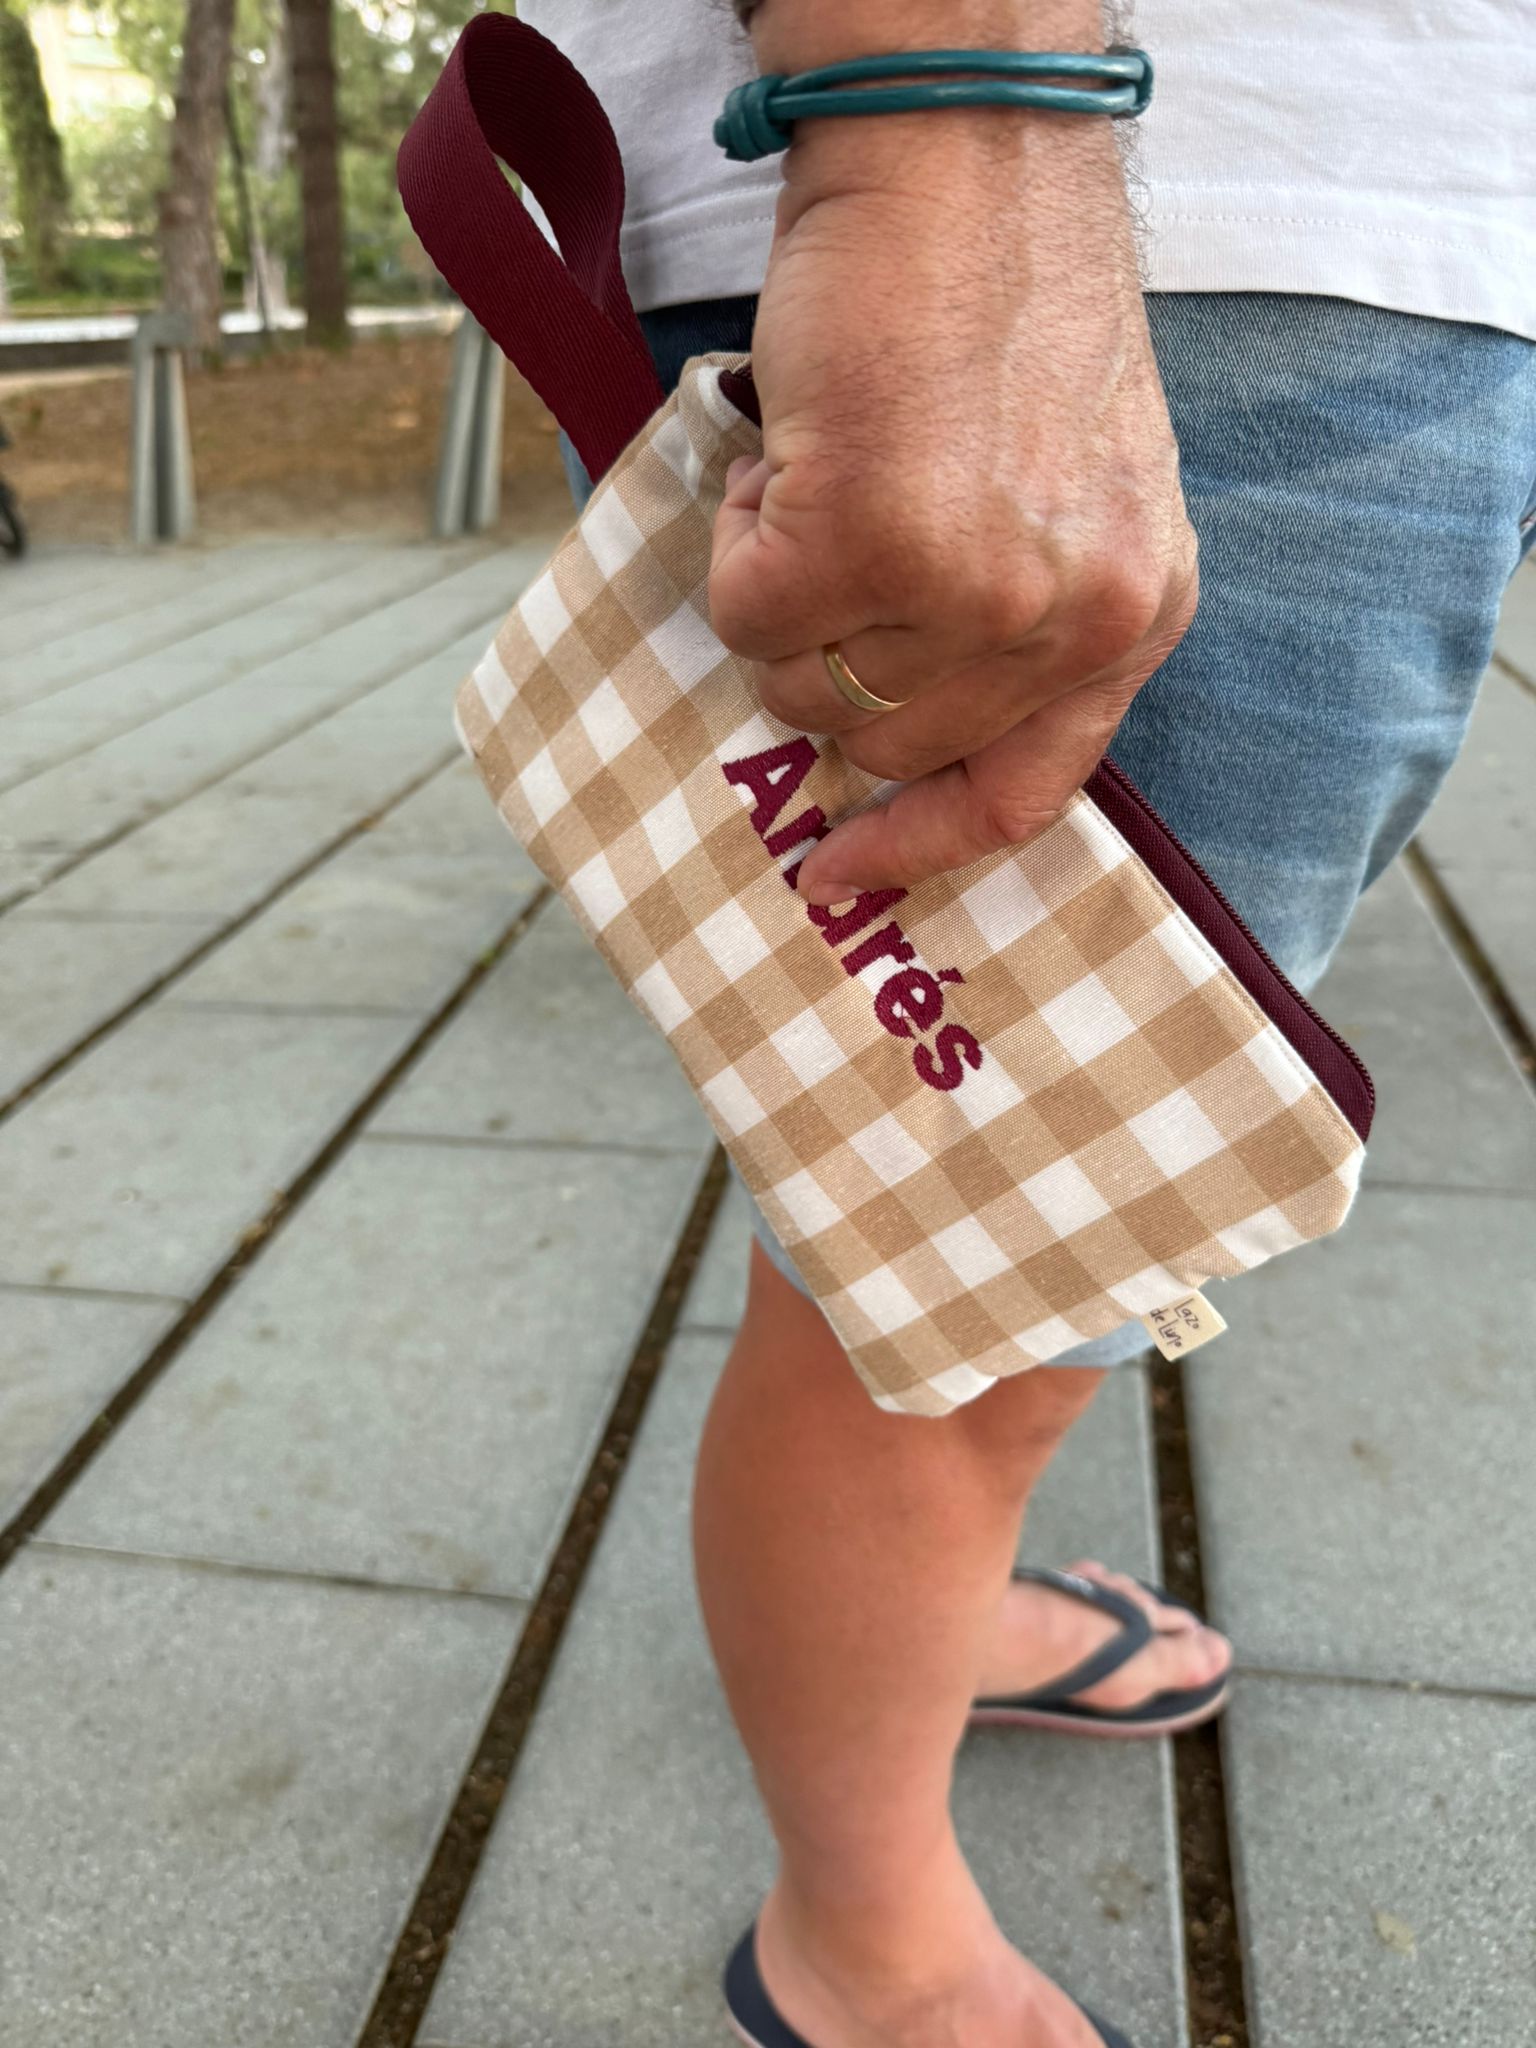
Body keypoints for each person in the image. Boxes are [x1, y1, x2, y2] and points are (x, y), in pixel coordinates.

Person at [520, 3, 1536, 2043]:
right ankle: (862, 1939)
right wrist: (941, 123)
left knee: (938, 1247)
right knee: (963, 1300)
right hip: (1146, 237)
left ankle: (920, 1620)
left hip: (1249, 230)